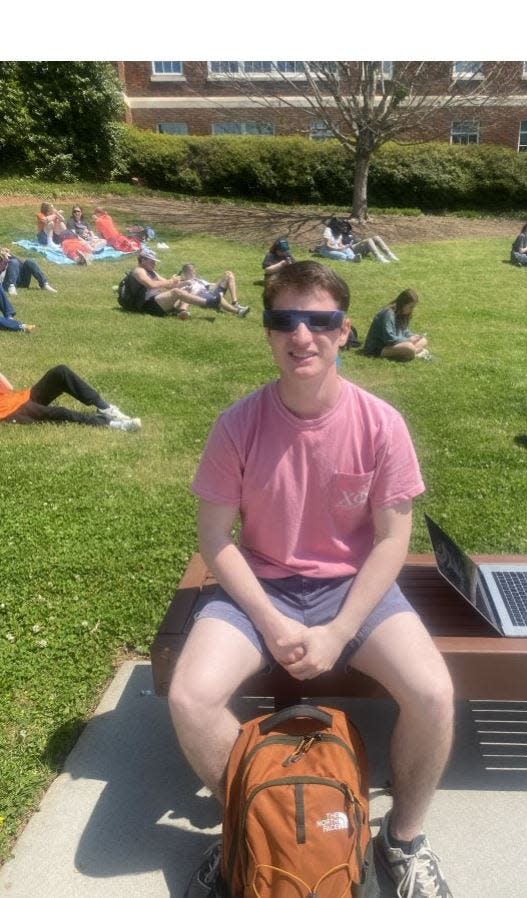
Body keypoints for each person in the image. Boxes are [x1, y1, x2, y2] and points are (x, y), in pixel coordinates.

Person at [169, 261, 454, 898]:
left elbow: (391, 540)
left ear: (345, 331)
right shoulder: (236, 425)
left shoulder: (381, 424)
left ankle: (401, 841)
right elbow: (216, 539)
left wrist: (339, 629)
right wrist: (271, 622)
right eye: (284, 320)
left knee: (433, 693)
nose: (303, 334)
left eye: (320, 320)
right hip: (261, 588)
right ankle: (250, 827)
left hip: (353, 587)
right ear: (268, 333)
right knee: (190, 699)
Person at [0, 364, 140, 429]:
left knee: (60, 372)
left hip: (20, 397)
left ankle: (105, 408)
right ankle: (113, 424)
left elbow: (9, 388)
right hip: (10, 411)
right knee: (59, 412)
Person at [127, 248, 218, 319]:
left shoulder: (152, 272)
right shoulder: (138, 271)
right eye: (152, 261)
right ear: (143, 261)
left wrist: (184, 283)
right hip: (147, 305)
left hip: (157, 301)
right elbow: (151, 284)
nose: (154, 264)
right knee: (176, 292)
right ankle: (209, 302)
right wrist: (171, 281)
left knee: (185, 290)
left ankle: (181, 311)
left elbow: (168, 285)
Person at [363, 289, 431, 361]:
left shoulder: (401, 314)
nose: (412, 310)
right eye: (410, 307)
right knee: (409, 347)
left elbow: (403, 331)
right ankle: (414, 352)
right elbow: (389, 339)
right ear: (403, 304)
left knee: (423, 340)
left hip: (393, 344)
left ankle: (412, 352)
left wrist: (413, 336)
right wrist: (409, 340)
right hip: (379, 348)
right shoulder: (388, 314)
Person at [178, 263, 249, 317]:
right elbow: (181, 293)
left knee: (229, 274)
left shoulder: (198, 280)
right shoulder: (183, 282)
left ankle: (235, 302)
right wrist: (184, 282)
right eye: (190, 271)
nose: (193, 272)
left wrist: (221, 279)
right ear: (185, 273)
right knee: (219, 297)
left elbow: (211, 286)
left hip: (210, 291)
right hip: (202, 296)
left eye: (194, 270)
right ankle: (238, 312)